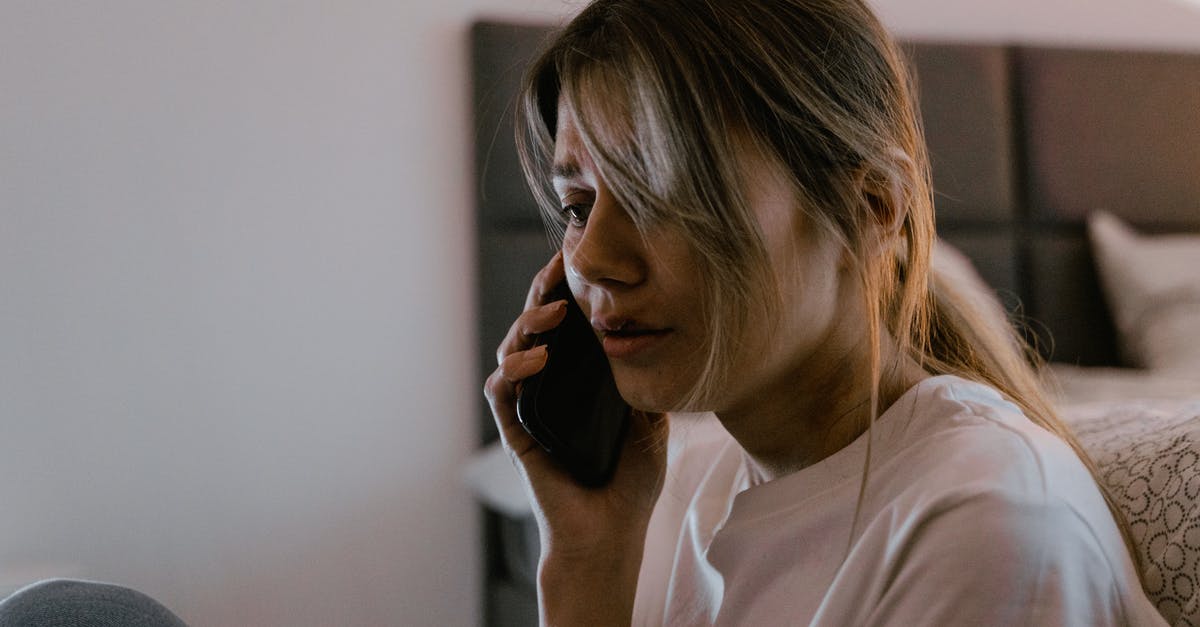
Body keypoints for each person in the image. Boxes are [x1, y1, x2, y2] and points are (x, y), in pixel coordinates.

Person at [482, 0, 1167, 625]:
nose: (594, 258)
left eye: (660, 190)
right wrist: (586, 561)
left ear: (869, 210)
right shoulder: (700, 487)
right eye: (577, 207)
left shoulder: (990, 522)